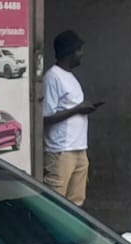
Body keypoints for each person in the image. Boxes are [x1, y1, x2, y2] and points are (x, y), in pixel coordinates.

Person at [43, 30, 101, 206]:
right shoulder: (52, 77)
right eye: (79, 50)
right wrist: (77, 109)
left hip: (79, 148)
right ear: (69, 52)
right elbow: (46, 117)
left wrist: (83, 109)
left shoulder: (71, 77)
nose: (82, 54)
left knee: (76, 204)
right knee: (54, 204)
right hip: (61, 151)